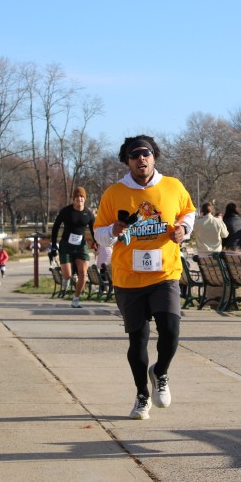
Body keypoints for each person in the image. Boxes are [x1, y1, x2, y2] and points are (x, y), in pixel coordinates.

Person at [93, 135, 195, 420]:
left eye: (146, 153)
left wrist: (184, 230)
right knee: (138, 340)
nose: (141, 158)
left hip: (165, 274)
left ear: (154, 156)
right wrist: (112, 230)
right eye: (135, 155)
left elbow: (189, 212)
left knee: (171, 331)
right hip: (129, 278)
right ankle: (142, 395)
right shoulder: (115, 193)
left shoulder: (173, 186)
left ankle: (160, 372)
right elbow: (98, 233)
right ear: (127, 161)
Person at [51, 186, 96, 308]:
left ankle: (76, 299)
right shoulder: (66, 211)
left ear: (84, 199)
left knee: (83, 273)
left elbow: (94, 230)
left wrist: (96, 243)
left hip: (81, 246)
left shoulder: (88, 213)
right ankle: (67, 278)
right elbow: (55, 227)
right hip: (66, 245)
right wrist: (54, 245)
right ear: (73, 199)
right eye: (77, 197)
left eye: (81, 197)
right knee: (67, 275)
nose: (79, 199)